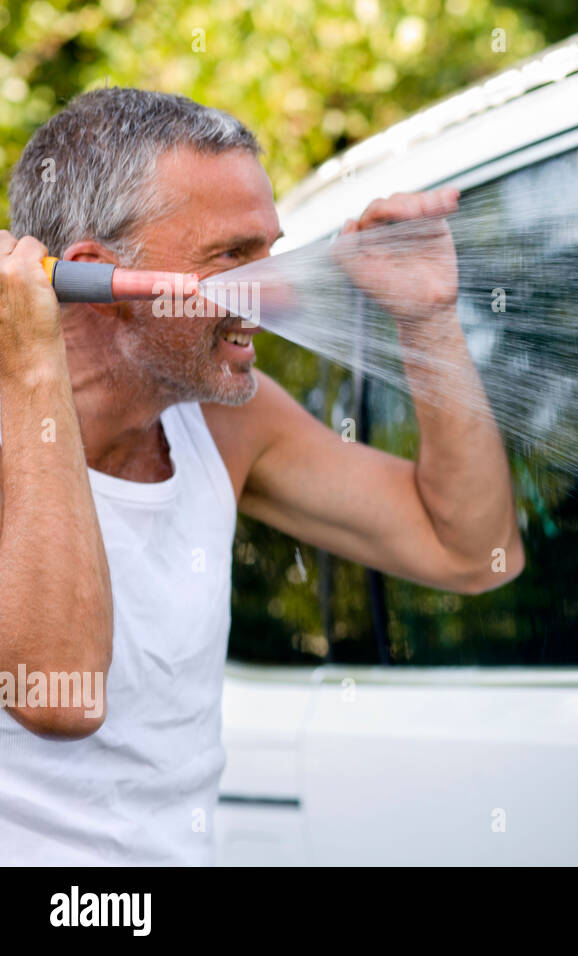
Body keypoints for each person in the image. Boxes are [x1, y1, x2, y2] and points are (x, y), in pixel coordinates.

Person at [0, 88, 523, 863]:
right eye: (233, 256)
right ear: (91, 278)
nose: (274, 290)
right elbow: (62, 695)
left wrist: (427, 320)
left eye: (271, 249)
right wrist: (30, 360)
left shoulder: (222, 424)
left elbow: (472, 554)